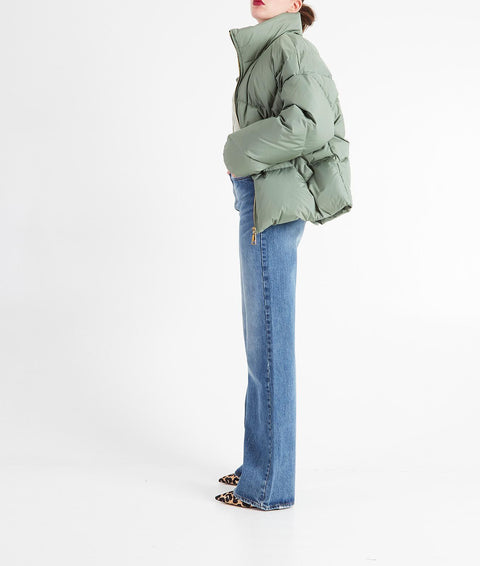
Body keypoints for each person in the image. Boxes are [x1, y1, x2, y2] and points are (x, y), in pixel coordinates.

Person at [215, 0, 351, 511]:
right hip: (264, 199)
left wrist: (237, 151)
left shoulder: (289, 47)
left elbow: (310, 124)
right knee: (262, 344)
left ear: (296, 3)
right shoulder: (272, 48)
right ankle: (260, 466)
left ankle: (268, 486)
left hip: (272, 203)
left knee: (269, 344)